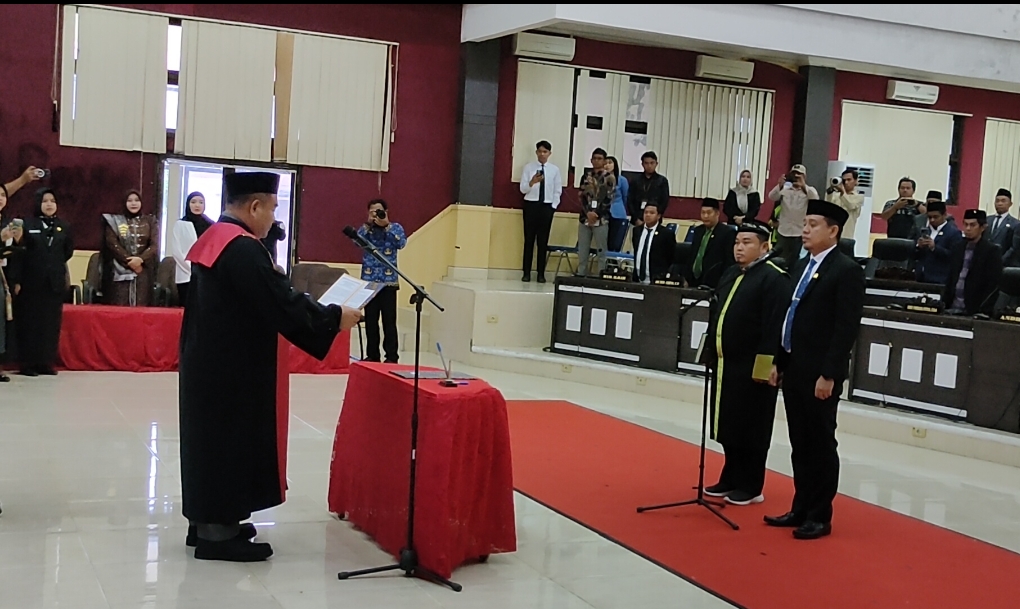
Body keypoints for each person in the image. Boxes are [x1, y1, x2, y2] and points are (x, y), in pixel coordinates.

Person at [179, 172, 362, 561]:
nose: (274, 218)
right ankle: (216, 536)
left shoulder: (217, 238)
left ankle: (210, 521)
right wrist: (334, 318)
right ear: (255, 206)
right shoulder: (242, 249)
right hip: (230, 368)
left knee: (211, 444)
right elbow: (282, 303)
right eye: (273, 208)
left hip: (211, 362)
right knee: (227, 442)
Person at [766, 199, 864, 540]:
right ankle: (801, 506)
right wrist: (779, 361)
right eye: (804, 224)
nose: (805, 230)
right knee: (800, 442)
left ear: (833, 231)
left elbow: (845, 328)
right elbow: (788, 317)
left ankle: (820, 515)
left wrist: (830, 374)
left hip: (820, 373)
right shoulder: (800, 265)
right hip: (794, 367)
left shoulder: (846, 270)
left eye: (813, 225)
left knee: (820, 443)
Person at [704, 220, 790, 506]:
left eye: (747, 243)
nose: (739, 248)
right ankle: (731, 476)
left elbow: (774, 326)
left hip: (754, 365)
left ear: (764, 246)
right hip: (727, 363)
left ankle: (751, 485)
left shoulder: (773, 277)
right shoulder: (732, 273)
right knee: (728, 422)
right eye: (737, 242)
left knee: (751, 425)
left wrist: (768, 366)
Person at [9, 188, 75, 377]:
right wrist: (16, 280)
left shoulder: (64, 226)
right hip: (30, 282)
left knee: (50, 324)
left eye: (52, 201)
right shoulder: (28, 224)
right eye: (45, 201)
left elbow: (67, 251)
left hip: (53, 283)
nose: (49, 204)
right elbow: (19, 253)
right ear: (38, 203)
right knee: (30, 323)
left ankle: (45, 362)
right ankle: (28, 363)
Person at [0, 167, 43, 383]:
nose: (0, 198)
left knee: (2, 319)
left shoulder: (8, 222)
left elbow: (17, 254)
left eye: (2, 196)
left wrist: (17, 241)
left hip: (3, 277)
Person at [358, 199, 407, 363]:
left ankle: (391, 356)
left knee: (389, 322)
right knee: (371, 321)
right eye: (373, 211)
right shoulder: (365, 230)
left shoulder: (395, 228)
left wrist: (386, 226)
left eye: (379, 211)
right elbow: (357, 242)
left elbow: (401, 243)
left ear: (386, 212)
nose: (376, 214)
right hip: (370, 282)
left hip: (388, 283)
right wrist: (368, 225)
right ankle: (373, 355)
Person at [102, 190, 159, 307]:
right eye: (130, 200)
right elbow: (112, 243)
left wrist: (140, 260)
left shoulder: (150, 221)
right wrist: (130, 262)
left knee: (141, 306)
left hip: (143, 270)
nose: (133, 203)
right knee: (120, 306)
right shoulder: (115, 221)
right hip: (119, 270)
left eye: (137, 200)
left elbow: (154, 245)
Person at [944, 209, 1002, 316]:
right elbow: (951, 278)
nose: (968, 229)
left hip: (975, 311)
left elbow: (992, 285)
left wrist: (983, 311)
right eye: (965, 224)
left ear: (983, 227)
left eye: (972, 225)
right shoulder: (957, 247)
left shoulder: (991, 251)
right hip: (952, 308)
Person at [519, 140, 563, 283]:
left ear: (549, 153)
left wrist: (553, 206)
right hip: (531, 205)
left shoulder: (554, 170)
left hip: (546, 206)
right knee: (529, 240)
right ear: (536, 152)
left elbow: (557, 190)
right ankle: (526, 273)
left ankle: (541, 274)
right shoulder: (528, 168)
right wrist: (532, 182)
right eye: (540, 151)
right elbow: (523, 189)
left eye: (545, 152)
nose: (542, 154)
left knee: (543, 242)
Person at [767, 164, 818, 267]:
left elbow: (815, 199)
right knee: (781, 259)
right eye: (794, 174)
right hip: (783, 230)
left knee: (796, 261)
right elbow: (772, 197)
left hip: (799, 232)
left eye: (799, 174)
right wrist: (779, 185)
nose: (796, 176)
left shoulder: (809, 190)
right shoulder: (784, 189)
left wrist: (803, 185)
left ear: (804, 176)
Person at [576, 148, 615, 277]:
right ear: (591, 160)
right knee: (583, 248)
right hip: (585, 217)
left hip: (601, 219)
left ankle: (601, 274)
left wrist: (596, 213)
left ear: (604, 161)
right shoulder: (586, 176)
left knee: (601, 249)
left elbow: (609, 198)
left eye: (600, 159)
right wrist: (588, 213)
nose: (597, 161)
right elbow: (581, 196)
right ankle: (581, 272)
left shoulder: (609, 178)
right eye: (594, 158)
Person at [684, 198, 735, 289]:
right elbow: (692, 256)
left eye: (709, 213)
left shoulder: (727, 232)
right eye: (703, 213)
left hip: (714, 283)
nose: (705, 216)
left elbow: (728, 261)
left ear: (717, 214)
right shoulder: (698, 231)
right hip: (693, 281)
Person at [172, 192, 213, 306]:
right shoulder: (180, 224)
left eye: (201, 202)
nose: (197, 205)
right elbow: (177, 251)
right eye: (193, 202)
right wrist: (192, 269)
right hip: (185, 274)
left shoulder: (211, 225)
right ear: (188, 204)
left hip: (206, 275)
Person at [913, 200, 962, 285]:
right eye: (930, 217)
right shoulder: (923, 231)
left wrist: (934, 248)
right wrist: (918, 246)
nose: (932, 220)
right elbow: (913, 255)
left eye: (936, 217)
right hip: (920, 278)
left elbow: (955, 257)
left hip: (940, 279)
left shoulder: (953, 233)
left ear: (944, 215)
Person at [631, 203, 675, 284]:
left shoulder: (666, 234)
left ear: (658, 216)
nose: (648, 215)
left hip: (657, 279)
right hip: (637, 279)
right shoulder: (636, 231)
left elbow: (670, 256)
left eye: (652, 213)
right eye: (646, 212)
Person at [627, 151, 671, 225]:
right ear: (642, 164)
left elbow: (664, 201)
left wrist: (657, 216)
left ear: (656, 164)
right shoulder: (635, 180)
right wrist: (636, 219)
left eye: (652, 163)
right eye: (646, 163)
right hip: (637, 219)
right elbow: (630, 200)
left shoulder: (662, 181)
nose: (649, 166)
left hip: (655, 219)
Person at [825, 169, 865, 239]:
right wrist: (830, 190)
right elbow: (828, 207)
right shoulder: (836, 195)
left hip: (846, 235)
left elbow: (851, 205)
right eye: (844, 180)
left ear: (856, 181)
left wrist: (842, 191)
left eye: (849, 180)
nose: (846, 182)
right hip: (832, 234)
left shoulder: (859, 197)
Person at [605, 156, 630, 252]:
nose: (607, 165)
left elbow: (625, 197)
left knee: (615, 242)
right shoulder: (601, 179)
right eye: (605, 163)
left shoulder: (622, 180)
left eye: (610, 163)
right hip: (604, 213)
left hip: (618, 213)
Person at [987, 189, 1018, 265]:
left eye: (1003, 201)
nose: (1000, 203)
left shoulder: (1015, 224)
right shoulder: (987, 220)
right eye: (997, 201)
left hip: (1003, 264)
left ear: (1010, 204)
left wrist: (1000, 261)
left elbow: (1014, 247)